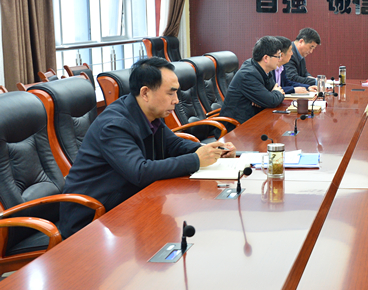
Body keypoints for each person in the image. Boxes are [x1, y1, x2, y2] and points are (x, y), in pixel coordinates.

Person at [60, 57, 235, 238]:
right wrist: (196, 160)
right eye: (170, 93)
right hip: (92, 220)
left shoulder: (148, 114)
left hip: (128, 205)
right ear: (145, 93)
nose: (176, 100)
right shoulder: (114, 124)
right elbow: (140, 172)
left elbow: (174, 144)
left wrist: (213, 151)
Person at [219, 36, 286, 126]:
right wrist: (270, 96)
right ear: (266, 58)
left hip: (253, 120)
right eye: (278, 56)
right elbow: (272, 100)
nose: (280, 59)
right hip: (235, 127)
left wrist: (266, 98)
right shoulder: (248, 74)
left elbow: (273, 93)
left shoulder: (264, 70)